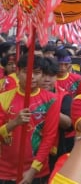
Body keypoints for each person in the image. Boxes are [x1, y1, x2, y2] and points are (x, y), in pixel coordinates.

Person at [0, 54, 59, 184]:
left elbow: (49, 137)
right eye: (26, 72)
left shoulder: (51, 100)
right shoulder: (3, 98)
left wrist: (33, 170)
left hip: (37, 171)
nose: (32, 76)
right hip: (5, 170)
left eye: (37, 73)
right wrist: (14, 123)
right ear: (18, 72)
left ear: (42, 74)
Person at [39, 57, 74, 172]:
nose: (47, 80)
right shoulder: (26, 95)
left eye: (51, 76)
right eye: (43, 75)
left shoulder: (64, 97)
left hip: (55, 150)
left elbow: (68, 124)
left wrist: (50, 108)